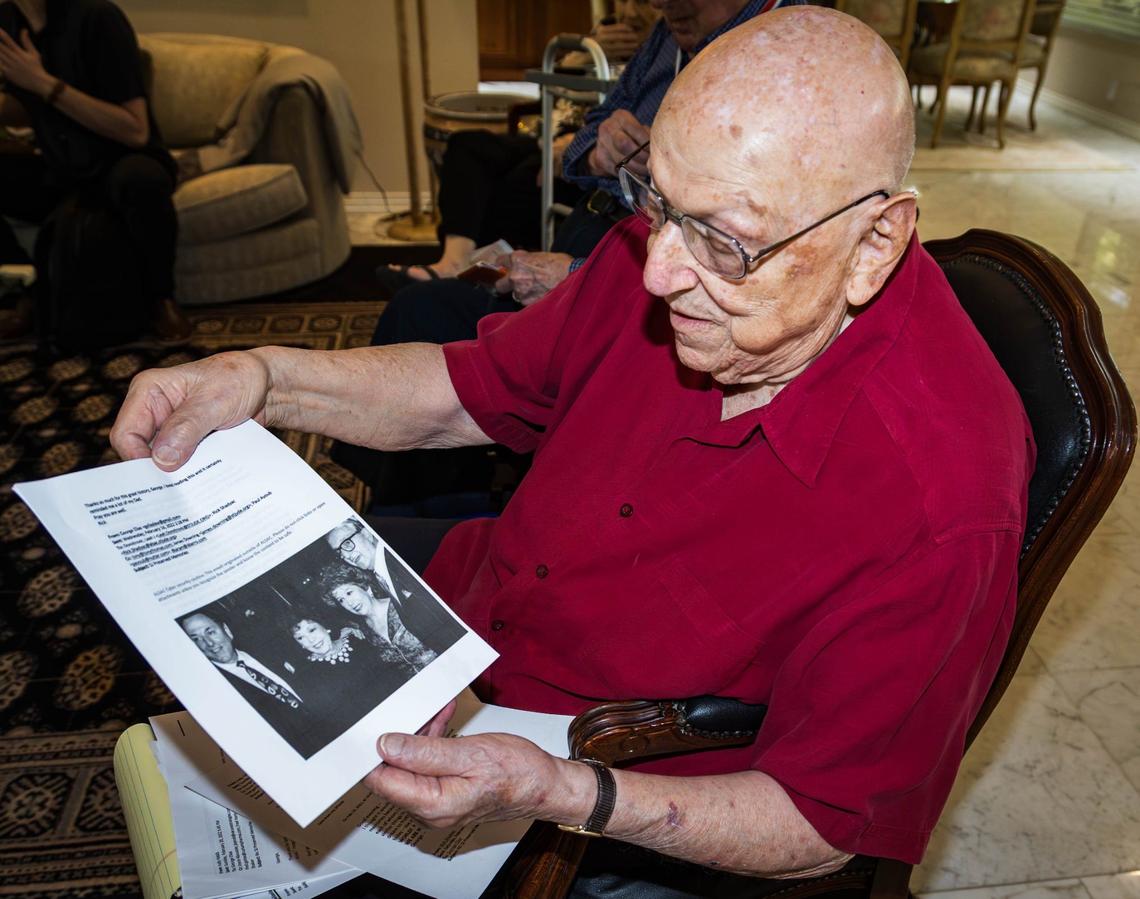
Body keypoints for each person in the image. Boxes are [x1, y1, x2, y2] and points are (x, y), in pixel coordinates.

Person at [113, 8, 1034, 894]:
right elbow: (466, 391)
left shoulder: (941, 498)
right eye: (659, 203)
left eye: (722, 239)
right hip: (472, 619)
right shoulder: (681, 249)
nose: (660, 269)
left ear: (875, 241)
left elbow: (825, 825)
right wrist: (267, 379)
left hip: (618, 806)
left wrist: (566, 791)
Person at [383, 0, 663, 287]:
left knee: (519, 178)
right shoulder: (607, 37)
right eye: (627, 1)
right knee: (466, 145)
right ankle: (452, 262)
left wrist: (573, 145)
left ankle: (482, 271)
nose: (630, 12)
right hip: (553, 135)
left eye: (640, 3)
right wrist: (585, 54)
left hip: (582, 156)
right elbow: (553, 91)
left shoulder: (662, 55)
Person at [0, 0, 190, 340]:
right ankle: (27, 293)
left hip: (122, 157)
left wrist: (42, 82)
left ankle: (162, 298)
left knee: (139, 180)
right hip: (60, 166)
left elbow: (134, 129)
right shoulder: (5, 23)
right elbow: (21, 108)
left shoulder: (98, 18)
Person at [180, 611, 320, 758]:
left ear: (226, 630)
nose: (209, 643)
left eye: (210, 632)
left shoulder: (271, 648)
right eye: (196, 640)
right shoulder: (214, 694)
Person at [324, 519, 467, 656]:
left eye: (347, 543)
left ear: (366, 533)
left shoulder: (399, 557)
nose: (346, 555)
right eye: (339, 553)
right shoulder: (381, 576)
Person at [322, 575, 438, 674]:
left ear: (366, 588)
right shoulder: (364, 631)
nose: (349, 602)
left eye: (349, 592)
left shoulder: (401, 603)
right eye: (341, 600)